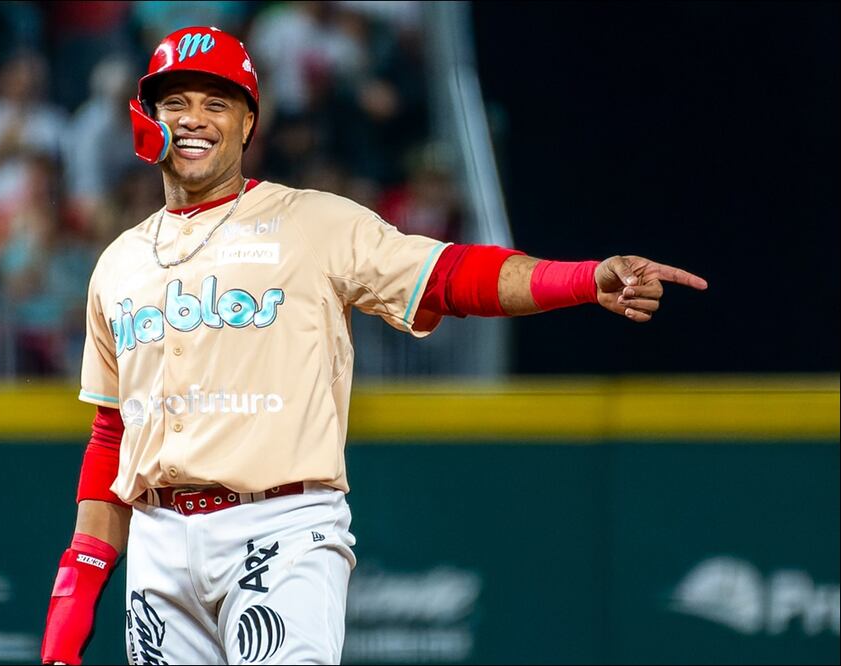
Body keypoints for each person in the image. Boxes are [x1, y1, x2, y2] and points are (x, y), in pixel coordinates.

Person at [40, 26, 708, 665]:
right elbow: (111, 436)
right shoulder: (118, 264)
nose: (194, 118)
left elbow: (450, 276)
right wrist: (73, 599)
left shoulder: (311, 223)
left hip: (278, 526)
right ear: (147, 117)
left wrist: (584, 279)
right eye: (176, 102)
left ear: (248, 124)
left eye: (217, 103)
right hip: (157, 544)